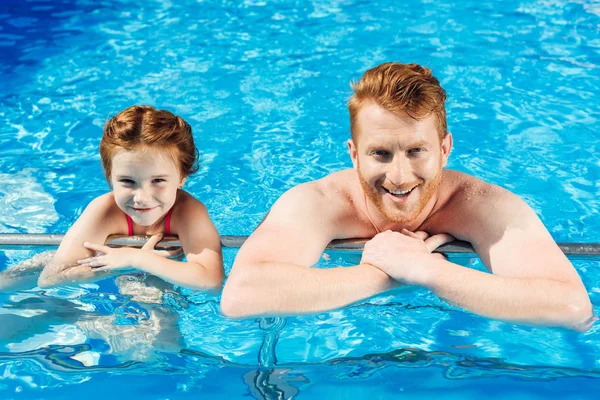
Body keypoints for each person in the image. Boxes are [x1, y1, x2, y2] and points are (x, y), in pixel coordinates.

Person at [221, 62, 594, 330]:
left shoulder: (482, 205)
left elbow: (572, 307)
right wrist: (382, 274)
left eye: (416, 151)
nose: (398, 177)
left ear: (444, 150)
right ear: (354, 154)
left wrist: (427, 270)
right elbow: (241, 297)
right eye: (380, 154)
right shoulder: (319, 203)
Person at [28, 105, 224, 292]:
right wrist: (120, 265)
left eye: (158, 180)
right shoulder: (104, 210)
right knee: (20, 274)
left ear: (182, 177)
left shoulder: (188, 212)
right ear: (110, 176)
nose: (142, 198)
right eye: (127, 181)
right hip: (108, 272)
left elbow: (211, 281)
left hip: (143, 270)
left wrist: (139, 260)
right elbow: (48, 279)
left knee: (154, 297)